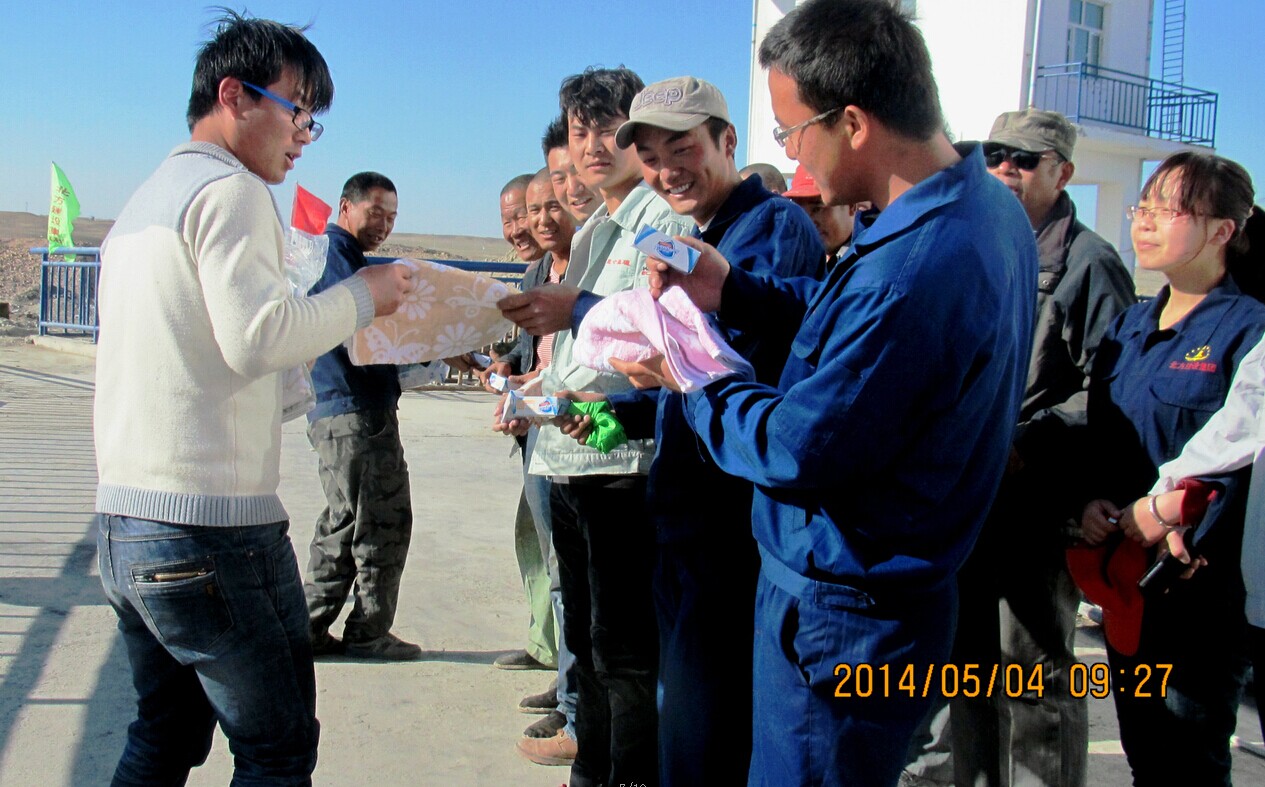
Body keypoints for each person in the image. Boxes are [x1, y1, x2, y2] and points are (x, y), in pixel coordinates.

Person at [609, 2, 1037, 784]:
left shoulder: (913, 267)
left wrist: (691, 378)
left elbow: (795, 445)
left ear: (853, 123)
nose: (791, 155)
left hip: (844, 615)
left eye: (791, 132)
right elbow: (854, 326)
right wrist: (735, 289)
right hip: (886, 600)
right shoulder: (980, 208)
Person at [93, 12, 412, 784]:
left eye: (313, 119)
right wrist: (364, 296)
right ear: (234, 95)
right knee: (276, 747)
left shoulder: (144, 203)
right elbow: (258, 337)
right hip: (211, 528)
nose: (304, 135)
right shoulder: (230, 191)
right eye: (296, 110)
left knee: (164, 733)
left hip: (127, 523)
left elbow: (200, 353)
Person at [564, 75, 822, 785]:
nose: (666, 171)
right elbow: (686, 387)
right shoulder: (699, 238)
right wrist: (609, 412)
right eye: (650, 158)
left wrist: (581, 309)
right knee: (681, 720)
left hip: (728, 527)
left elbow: (728, 368)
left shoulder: (772, 228)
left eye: (682, 150)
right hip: (682, 523)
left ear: (727, 141)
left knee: (707, 735)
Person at [904, 108, 1137, 787]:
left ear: (1062, 173)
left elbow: (1108, 388)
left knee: (1034, 677)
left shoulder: (1089, 263)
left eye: (1024, 159)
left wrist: (1028, 440)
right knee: (967, 669)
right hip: (967, 496)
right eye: (995, 155)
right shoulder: (976, 242)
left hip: (1034, 499)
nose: (1004, 169)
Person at [498, 66, 693, 787]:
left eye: (608, 129)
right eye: (580, 132)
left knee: (624, 649)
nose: (591, 146)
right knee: (583, 639)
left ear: (636, 135)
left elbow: (663, 341)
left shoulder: (663, 225)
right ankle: (594, 770)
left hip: (621, 462)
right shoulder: (592, 232)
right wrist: (534, 391)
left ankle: (627, 775)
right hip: (566, 457)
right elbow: (575, 355)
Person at [1075, 151, 1265, 785]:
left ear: (1222, 231)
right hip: (1126, 584)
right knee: (1145, 754)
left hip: (1199, 597)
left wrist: (1178, 516)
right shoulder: (1131, 325)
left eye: (1170, 209)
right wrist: (1091, 502)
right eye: (1143, 206)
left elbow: (1241, 458)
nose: (1146, 221)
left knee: (1188, 764)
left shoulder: (1249, 330)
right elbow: (1105, 436)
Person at [302, 171, 429, 661]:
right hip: (357, 409)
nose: (383, 225)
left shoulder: (335, 257)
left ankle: (309, 626)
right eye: (375, 212)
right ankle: (369, 631)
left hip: (335, 408)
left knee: (344, 520)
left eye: (391, 218)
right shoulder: (340, 260)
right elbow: (364, 331)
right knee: (382, 521)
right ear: (346, 207)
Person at [783, 163, 862, 272]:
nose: (808, 221)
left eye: (817, 209)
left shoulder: (871, 259)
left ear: (851, 205)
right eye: (800, 211)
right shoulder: (796, 260)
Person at [501, 173, 545, 264]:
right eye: (507, 222)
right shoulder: (537, 271)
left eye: (521, 217)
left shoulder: (573, 265)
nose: (515, 232)